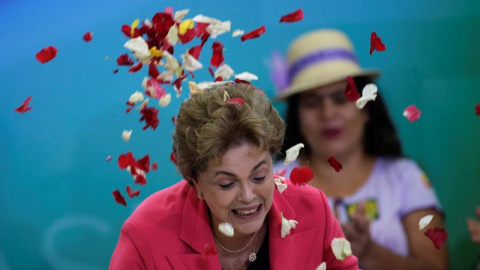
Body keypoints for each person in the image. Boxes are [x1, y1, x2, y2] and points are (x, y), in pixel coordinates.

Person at [109, 81, 360, 270]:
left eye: (260, 176)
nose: (248, 195)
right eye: (227, 183)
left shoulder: (312, 208)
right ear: (195, 182)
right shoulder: (146, 233)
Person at [272, 29, 449, 270]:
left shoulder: (405, 177)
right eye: (312, 103)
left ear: (366, 108)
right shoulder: (273, 182)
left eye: (341, 98)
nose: (328, 114)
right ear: (297, 117)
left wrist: (369, 252)